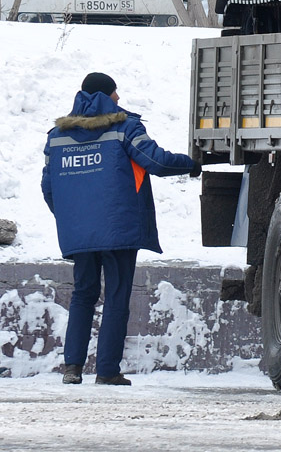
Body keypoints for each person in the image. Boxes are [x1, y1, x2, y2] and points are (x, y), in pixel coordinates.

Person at [41, 72, 201, 386]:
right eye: (116, 92)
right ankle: (107, 371)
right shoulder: (124, 128)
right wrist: (192, 164)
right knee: (116, 296)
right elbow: (155, 161)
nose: (119, 98)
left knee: (82, 295)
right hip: (117, 228)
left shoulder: (57, 136)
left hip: (80, 232)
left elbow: (49, 188)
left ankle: (72, 368)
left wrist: (71, 217)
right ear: (107, 95)